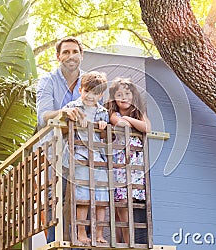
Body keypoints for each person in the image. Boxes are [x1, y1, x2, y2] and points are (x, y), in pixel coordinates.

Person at [36, 36, 86, 243]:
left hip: (83, 148)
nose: (71, 56)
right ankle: (54, 242)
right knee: (53, 195)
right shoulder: (48, 80)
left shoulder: (89, 81)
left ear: (81, 55)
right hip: (53, 149)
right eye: (66, 52)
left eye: (75, 51)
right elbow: (43, 115)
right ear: (58, 57)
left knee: (82, 194)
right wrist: (64, 112)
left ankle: (79, 242)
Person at [63, 71, 109, 244]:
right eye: (88, 91)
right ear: (81, 89)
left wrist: (103, 127)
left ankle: (99, 234)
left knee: (101, 198)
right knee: (82, 197)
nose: (91, 96)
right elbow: (63, 123)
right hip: (80, 157)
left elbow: (104, 136)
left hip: (99, 158)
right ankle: (81, 233)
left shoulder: (102, 112)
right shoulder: (73, 107)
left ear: (101, 94)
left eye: (96, 93)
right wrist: (73, 118)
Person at [105, 77, 151, 244]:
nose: (124, 97)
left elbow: (147, 127)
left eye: (127, 93)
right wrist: (133, 122)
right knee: (121, 202)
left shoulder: (138, 112)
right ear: (114, 98)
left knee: (131, 201)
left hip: (135, 165)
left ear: (133, 96)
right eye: (119, 94)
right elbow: (120, 124)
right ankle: (125, 242)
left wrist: (132, 120)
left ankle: (127, 241)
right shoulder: (113, 114)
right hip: (119, 164)